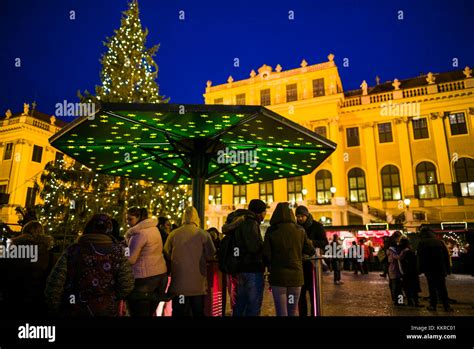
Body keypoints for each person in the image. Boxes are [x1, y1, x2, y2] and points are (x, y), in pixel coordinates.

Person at [44, 214, 134, 316]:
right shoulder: (118, 252)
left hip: (74, 308)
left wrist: (55, 307)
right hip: (106, 310)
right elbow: (127, 283)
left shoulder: (73, 250)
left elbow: (55, 283)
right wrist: (111, 298)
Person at [263, 202, 315, 316]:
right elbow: (311, 250)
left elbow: (266, 255)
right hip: (295, 278)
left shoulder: (271, 231)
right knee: (292, 309)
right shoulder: (300, 230)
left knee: (282, 311)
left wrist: (270, 266)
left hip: (278, 278)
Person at [163, 207, 216, 316]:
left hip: (179, 286)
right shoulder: (203, 234)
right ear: (197, 218)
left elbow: (166, 252)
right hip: (197, 286)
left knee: (180, 312)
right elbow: (211, 254)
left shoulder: (174, 234)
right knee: (197, 311)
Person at [221, 199, 267, 316]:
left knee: (241, 303)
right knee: (253, 305)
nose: (264, 215)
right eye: (264, 212)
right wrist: (264, 246)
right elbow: (253, 247)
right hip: (252, 268)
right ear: (258, 212)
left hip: (240, 268)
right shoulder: (250, 223)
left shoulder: (241, 221)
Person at [3, 221, 54, 317]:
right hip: (38, 299)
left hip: (14, 297)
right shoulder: (48, 255)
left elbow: (5, 272)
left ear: (24, 232)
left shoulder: (13, 250)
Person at [125, 207, 168, 316]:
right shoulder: (154, 229)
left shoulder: (139, 234)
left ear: (139, 217)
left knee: (137, 311)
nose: (127, 222)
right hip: (160, 276)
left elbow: (130, 259)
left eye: (130, 219)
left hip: (144, 278)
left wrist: (124, 249)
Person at [295, 205, 328, 316]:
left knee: (314, 294)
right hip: (300, 265)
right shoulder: (295, 228)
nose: (300, 219)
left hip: (313, 266)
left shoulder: (317, 226)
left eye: (302, 216)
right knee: (301, 295)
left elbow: (324, 243)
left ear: (307, 215)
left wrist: (310, 242)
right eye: (298, 216)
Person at [417, 227, 453, 311]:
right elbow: (446, 256)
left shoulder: (422, 243)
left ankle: (433, 305)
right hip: (440, 268)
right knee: (442, 287)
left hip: (429, 269)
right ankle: (446, 306)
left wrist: (419, 269)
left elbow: (420, 257)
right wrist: (448, 269)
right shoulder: (440, 242)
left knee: (432, 287)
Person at [398, 237, 421, 307]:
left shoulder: (401, 253)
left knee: (407, 288)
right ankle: (416, 302)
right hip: (412, 273)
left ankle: (409, 301)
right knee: (414, 288)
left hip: (405, 273)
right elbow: (414, 263)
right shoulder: (410, 252)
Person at [387, 231, 403, 306]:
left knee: (398, 286)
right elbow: (396, 257)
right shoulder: (392, 249)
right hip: (394, 269)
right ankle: (397, 301)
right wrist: (403, 252)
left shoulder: (392, 248)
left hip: (396, 269)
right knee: (396, 286)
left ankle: (398, 301)